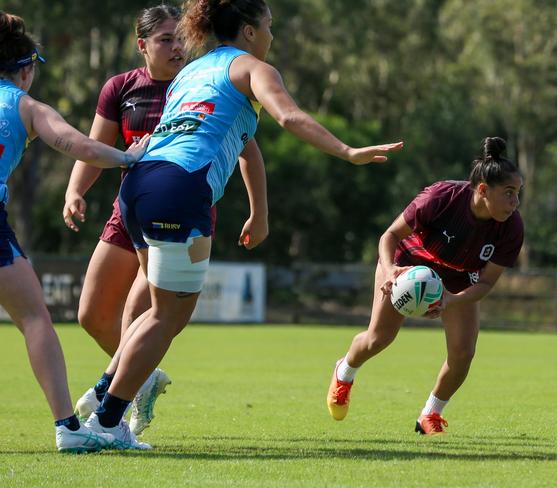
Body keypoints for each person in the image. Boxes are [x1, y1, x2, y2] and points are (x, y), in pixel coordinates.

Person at [82, 0, 403, 449]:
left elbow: (213, 136)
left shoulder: (191, 72)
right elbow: (289, 117)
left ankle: (103, 398)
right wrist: (347, 152)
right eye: (270, 25)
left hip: (136, 186)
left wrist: (259, 208)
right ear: (249, 31)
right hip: (180, 188)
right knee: (166, 315)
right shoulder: (252, 68)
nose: (273, 34)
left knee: (156, 310)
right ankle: (106, 422)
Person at [0, 11, 150, 452]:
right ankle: (68, 427)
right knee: (32, 317)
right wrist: (127, 157)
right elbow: (77, 145)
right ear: (27, 69)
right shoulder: (24, 105)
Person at [326, 137, 524, 435]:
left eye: (518, 193)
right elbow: (388, 236)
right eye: (509, 193)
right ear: (483, 189)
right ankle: (344, 372)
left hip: (460, 275)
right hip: (407, 262)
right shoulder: (442, 197)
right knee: (379, 339)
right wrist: (391, 270)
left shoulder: (511, 227)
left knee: (463, 354)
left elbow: (485, 283)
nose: (515, 202)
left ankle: (430, 414)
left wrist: (450, 300)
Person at [62, 4, 189, 437]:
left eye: (181, 37)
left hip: (178, 216)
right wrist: (75, 190)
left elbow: (245, 146)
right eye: (166, 39)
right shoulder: (120, 87)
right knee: (92, 314)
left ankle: (112, 399)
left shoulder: (200, 86)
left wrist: (256, 207)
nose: (177, 47)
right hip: (128, 210)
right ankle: (144, 374)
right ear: (142, 46)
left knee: (140, 310)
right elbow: (96, 146)